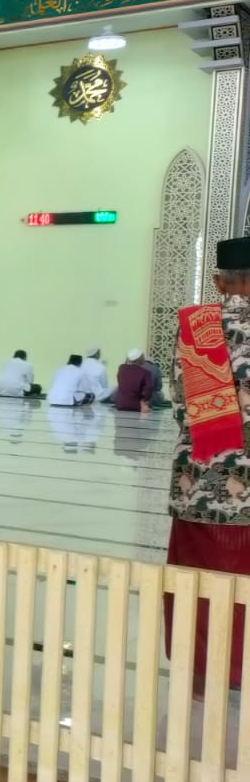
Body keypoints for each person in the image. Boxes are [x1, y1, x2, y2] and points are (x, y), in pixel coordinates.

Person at [166, 237, 250, 698]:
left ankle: (200, 681)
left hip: (197, 486)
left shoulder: (197, 325)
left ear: (218, 281)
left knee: (196, 587)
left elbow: (184, 408)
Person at [112, 348, 154, 413]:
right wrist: (144, 401)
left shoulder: (121, 368)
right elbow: (148, 390)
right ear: (140, 358)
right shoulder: (146, 373)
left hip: (120, 404)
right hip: (136, 406)